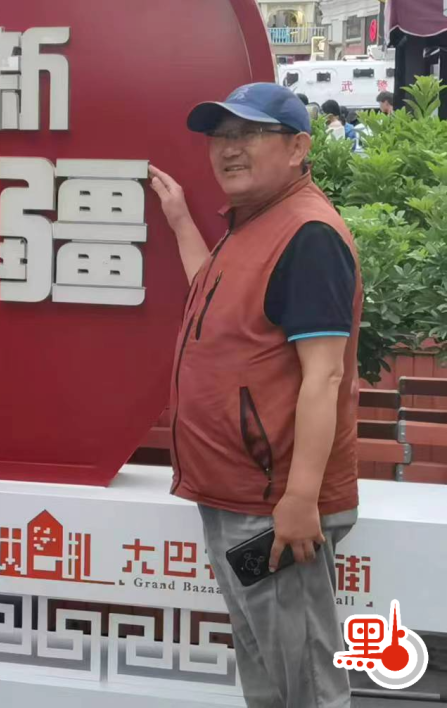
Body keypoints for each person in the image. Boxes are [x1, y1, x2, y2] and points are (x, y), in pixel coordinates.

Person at [148, 82, 362, 708]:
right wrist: (180, 219)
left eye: (248, 134)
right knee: (268, 672)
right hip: (236, 494)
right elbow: (215, 302)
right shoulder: (252, 226)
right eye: (220, 136)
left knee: (306, 682)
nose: (228, 149)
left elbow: (324, 376)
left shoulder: (307, 236)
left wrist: (299, 499)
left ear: (298, 147)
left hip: (274, 509)